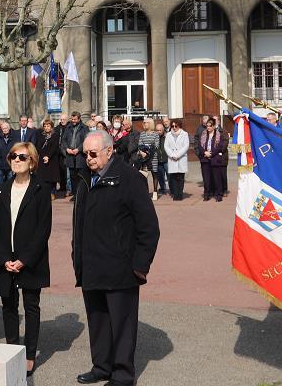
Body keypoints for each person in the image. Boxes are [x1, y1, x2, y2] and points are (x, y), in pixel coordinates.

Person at [73, 130, 159, 386]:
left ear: (109, 151)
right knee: (97, 319)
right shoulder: (84, 180)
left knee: (122, 324)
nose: (88, 159)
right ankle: (102, 366)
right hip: (91, 266)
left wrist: (140, 266)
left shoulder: (130, 179)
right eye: (84, 153)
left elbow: (149, 227)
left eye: (92, 153)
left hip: (121, 269)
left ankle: (122, 374)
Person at [0, 142, 51, 376]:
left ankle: (29, 355)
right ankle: (13, 349)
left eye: (21, 157)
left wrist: (24, 259)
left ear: (32, 161)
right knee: (8, 305)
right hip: (6, 260)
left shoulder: (41, 190)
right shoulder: (2, 189)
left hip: (30, 260)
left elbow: (43, 229)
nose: (16, 160)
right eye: (13, 156)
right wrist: (3, 258)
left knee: (31, 307)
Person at [197, 117, 227, 202]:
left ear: (214, 126)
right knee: (206, 179)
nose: (208, 128)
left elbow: (220, 146)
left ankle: (218, 195)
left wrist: (211, 153)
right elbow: (199, 145)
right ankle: (207, 194)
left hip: (215, 159)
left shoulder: (219, 135)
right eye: (207, 126)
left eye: (210, 126)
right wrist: (204, 153)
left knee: (216, 178)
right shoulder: (203, 134)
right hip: (205, 159)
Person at [60, 111, 87, 200]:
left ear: (79, 119)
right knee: (72, 177)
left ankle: (80, 195)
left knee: (80, 177)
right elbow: (63, 140)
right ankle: (75, 194)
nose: (73, 121)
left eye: (75, 119)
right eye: (72, 119)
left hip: (80, 156)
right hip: (70, 156)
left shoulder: (84, 128)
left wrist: (78, 149)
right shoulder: (68, 127)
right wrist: (67, 149)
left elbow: (86, 141)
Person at [163, 119, 190, 200]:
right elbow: (166, 146)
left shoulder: (184, 134)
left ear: (179, 126)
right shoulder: (168, 135)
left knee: (181, 178)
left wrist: (178, 155)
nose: (174, 128)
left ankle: (180, 194)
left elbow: (186, 146)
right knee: (173, 178)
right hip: (172, 159)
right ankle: (175, 194)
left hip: (181, 158)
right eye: (173, 126)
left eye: (176, 126)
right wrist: (172, 155)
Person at [134, 118, 160, 200]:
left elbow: (156, 146)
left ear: (150, 124)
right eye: (143, 123)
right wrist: (142, 152)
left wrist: (147, 152)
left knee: (154, 174)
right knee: (144, 175)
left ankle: (155, 192)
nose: (144, 124)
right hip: (144, 157)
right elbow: (140, 145)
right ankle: (146, 192)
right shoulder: (142, 134)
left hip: (153, 157)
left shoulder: (155, 134)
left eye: (146, 123)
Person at [35, 119, 61, 198]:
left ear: (51, 127)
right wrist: (43, 156)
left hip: (52, 159)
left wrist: (48, 156)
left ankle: (52, 192)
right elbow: (38, 146)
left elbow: (54, 147)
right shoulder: (41, 135)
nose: (46, 128)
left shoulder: (55, 135)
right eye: (45, 126)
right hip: (43, 158)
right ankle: (44, 193)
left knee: (52, 177)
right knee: (43, 177)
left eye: (48, 126)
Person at [0, 121, 17, 186]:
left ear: (9, 128)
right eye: (3, 128)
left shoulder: (14, 137)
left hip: (10, 163)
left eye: (6, 128)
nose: (5, 130)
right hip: (0, 162)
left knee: (10, 181)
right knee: (0, 181)